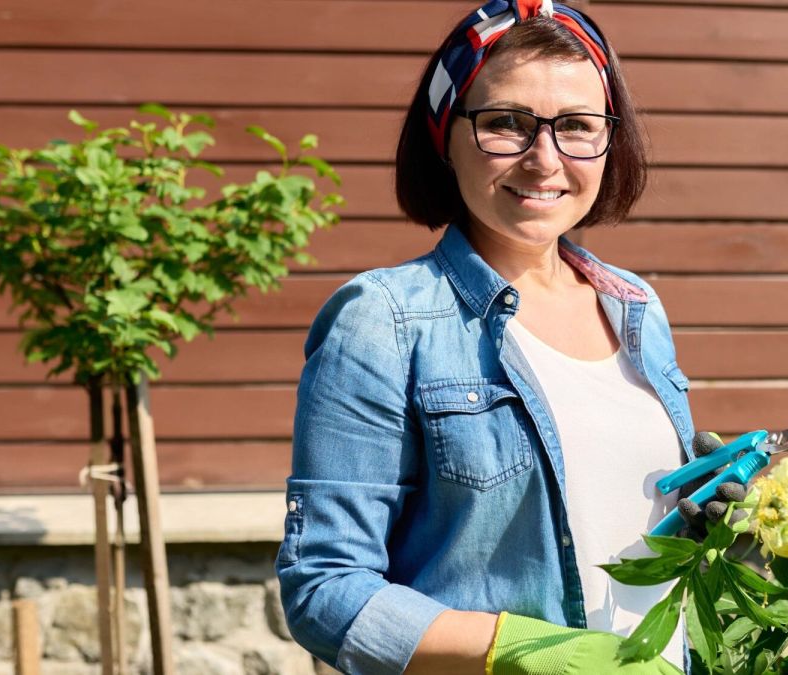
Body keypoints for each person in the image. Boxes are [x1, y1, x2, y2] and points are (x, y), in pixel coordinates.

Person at [277, 2, 738, 673]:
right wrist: (524, 651)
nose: (544, 158)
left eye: (577, 126)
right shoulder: (382, 319)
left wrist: (713, 527)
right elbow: (323, 587)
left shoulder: (636, 306)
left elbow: (624, 539)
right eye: (505, 124)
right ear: (447, 137)